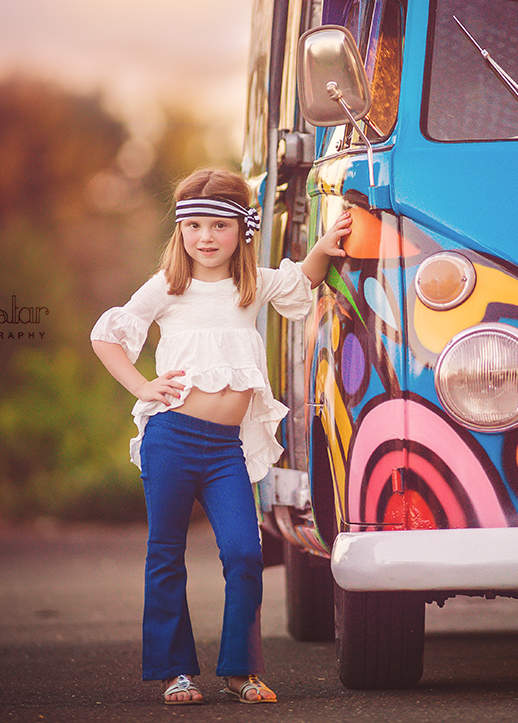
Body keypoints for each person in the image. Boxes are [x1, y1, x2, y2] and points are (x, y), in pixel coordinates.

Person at [91, 167, 351, 706]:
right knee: (166, 553)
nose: (205, 238)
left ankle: (241, 670)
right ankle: (175, 672)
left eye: (218, 226)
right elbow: (107, 335)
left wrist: (325, 244)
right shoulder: (169, 286)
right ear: (180, 233)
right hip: (171, 439)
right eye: (194, 227)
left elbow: (304, 279)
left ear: (242, 231)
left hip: (224, 450)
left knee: (244, 553)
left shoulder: (252, 284)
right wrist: (143, 384)